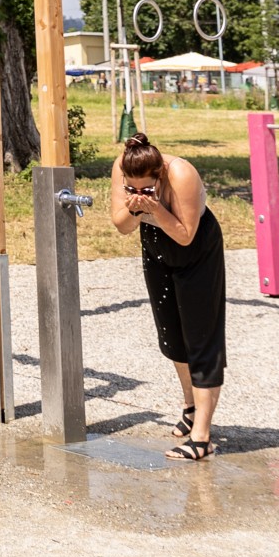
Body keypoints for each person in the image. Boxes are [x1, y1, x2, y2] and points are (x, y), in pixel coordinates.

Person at [110, 127, 227, 460]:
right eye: (130, 187)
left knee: (201, 339)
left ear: (158, 175)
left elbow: (186, 235)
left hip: (196, 251)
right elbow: (120, 225)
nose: (137, 191)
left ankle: (202, 437)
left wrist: (154, 208)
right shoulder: (122, 166)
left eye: (146, 186)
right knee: (172, 337)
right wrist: (134, 209)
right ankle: (191, 407)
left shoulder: (181, 174)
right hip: (157, 246)